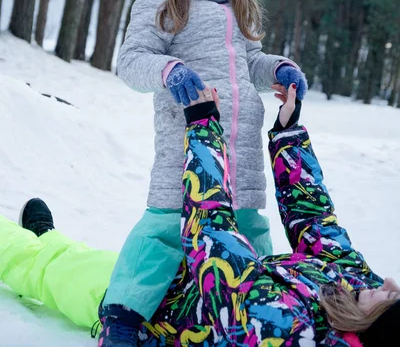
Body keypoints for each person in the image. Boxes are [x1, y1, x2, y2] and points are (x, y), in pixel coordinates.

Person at [1, 85, 399, 347]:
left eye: (390, 299)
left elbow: (211, 234)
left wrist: (204, 124)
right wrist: (288, 133)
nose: (389, 283)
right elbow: (316, 223)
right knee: (83, 258)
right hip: (174, 280)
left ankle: (32, 248)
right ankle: (48, 239)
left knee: (47, 270)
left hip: (149, 312)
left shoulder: (283, 329)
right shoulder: (356, 287)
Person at [103, 0, 308, 345]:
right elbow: (133, 59)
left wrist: (276, 68)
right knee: (166, 227)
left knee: (248, 230)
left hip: (241, 145)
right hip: (188, 136)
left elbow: (248, 60)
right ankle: (121, 315)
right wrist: (171, 71)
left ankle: (253, 315)